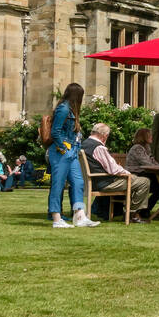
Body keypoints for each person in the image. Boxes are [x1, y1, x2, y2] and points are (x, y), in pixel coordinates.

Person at [48, 83, 97, 228]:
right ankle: (56, 219)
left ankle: (80, 216)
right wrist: (64, 149)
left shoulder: (71, 110)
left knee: (78, 182)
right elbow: (55, 132)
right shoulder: (63, 109)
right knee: (58, 185)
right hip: (61, 152)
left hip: (72, 152)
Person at [82, 122, 151, 223]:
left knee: (136, 181)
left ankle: (130, 212)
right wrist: (128, 173)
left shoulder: (84, 144)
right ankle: (131, 214)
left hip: (93, 182)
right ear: (104, 136)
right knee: (144, 182)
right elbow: (113, 169)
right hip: (105, 183)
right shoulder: (99, 147)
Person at [123, 127, 159, 218]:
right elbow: (147, 163)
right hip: (135, 174)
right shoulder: (137, 148)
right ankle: (144, 210)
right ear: (143, 137)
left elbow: (152, 161)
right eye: (149, 135)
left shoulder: (146, 147)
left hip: (143, 173)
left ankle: (145, 209)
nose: (151, 137)